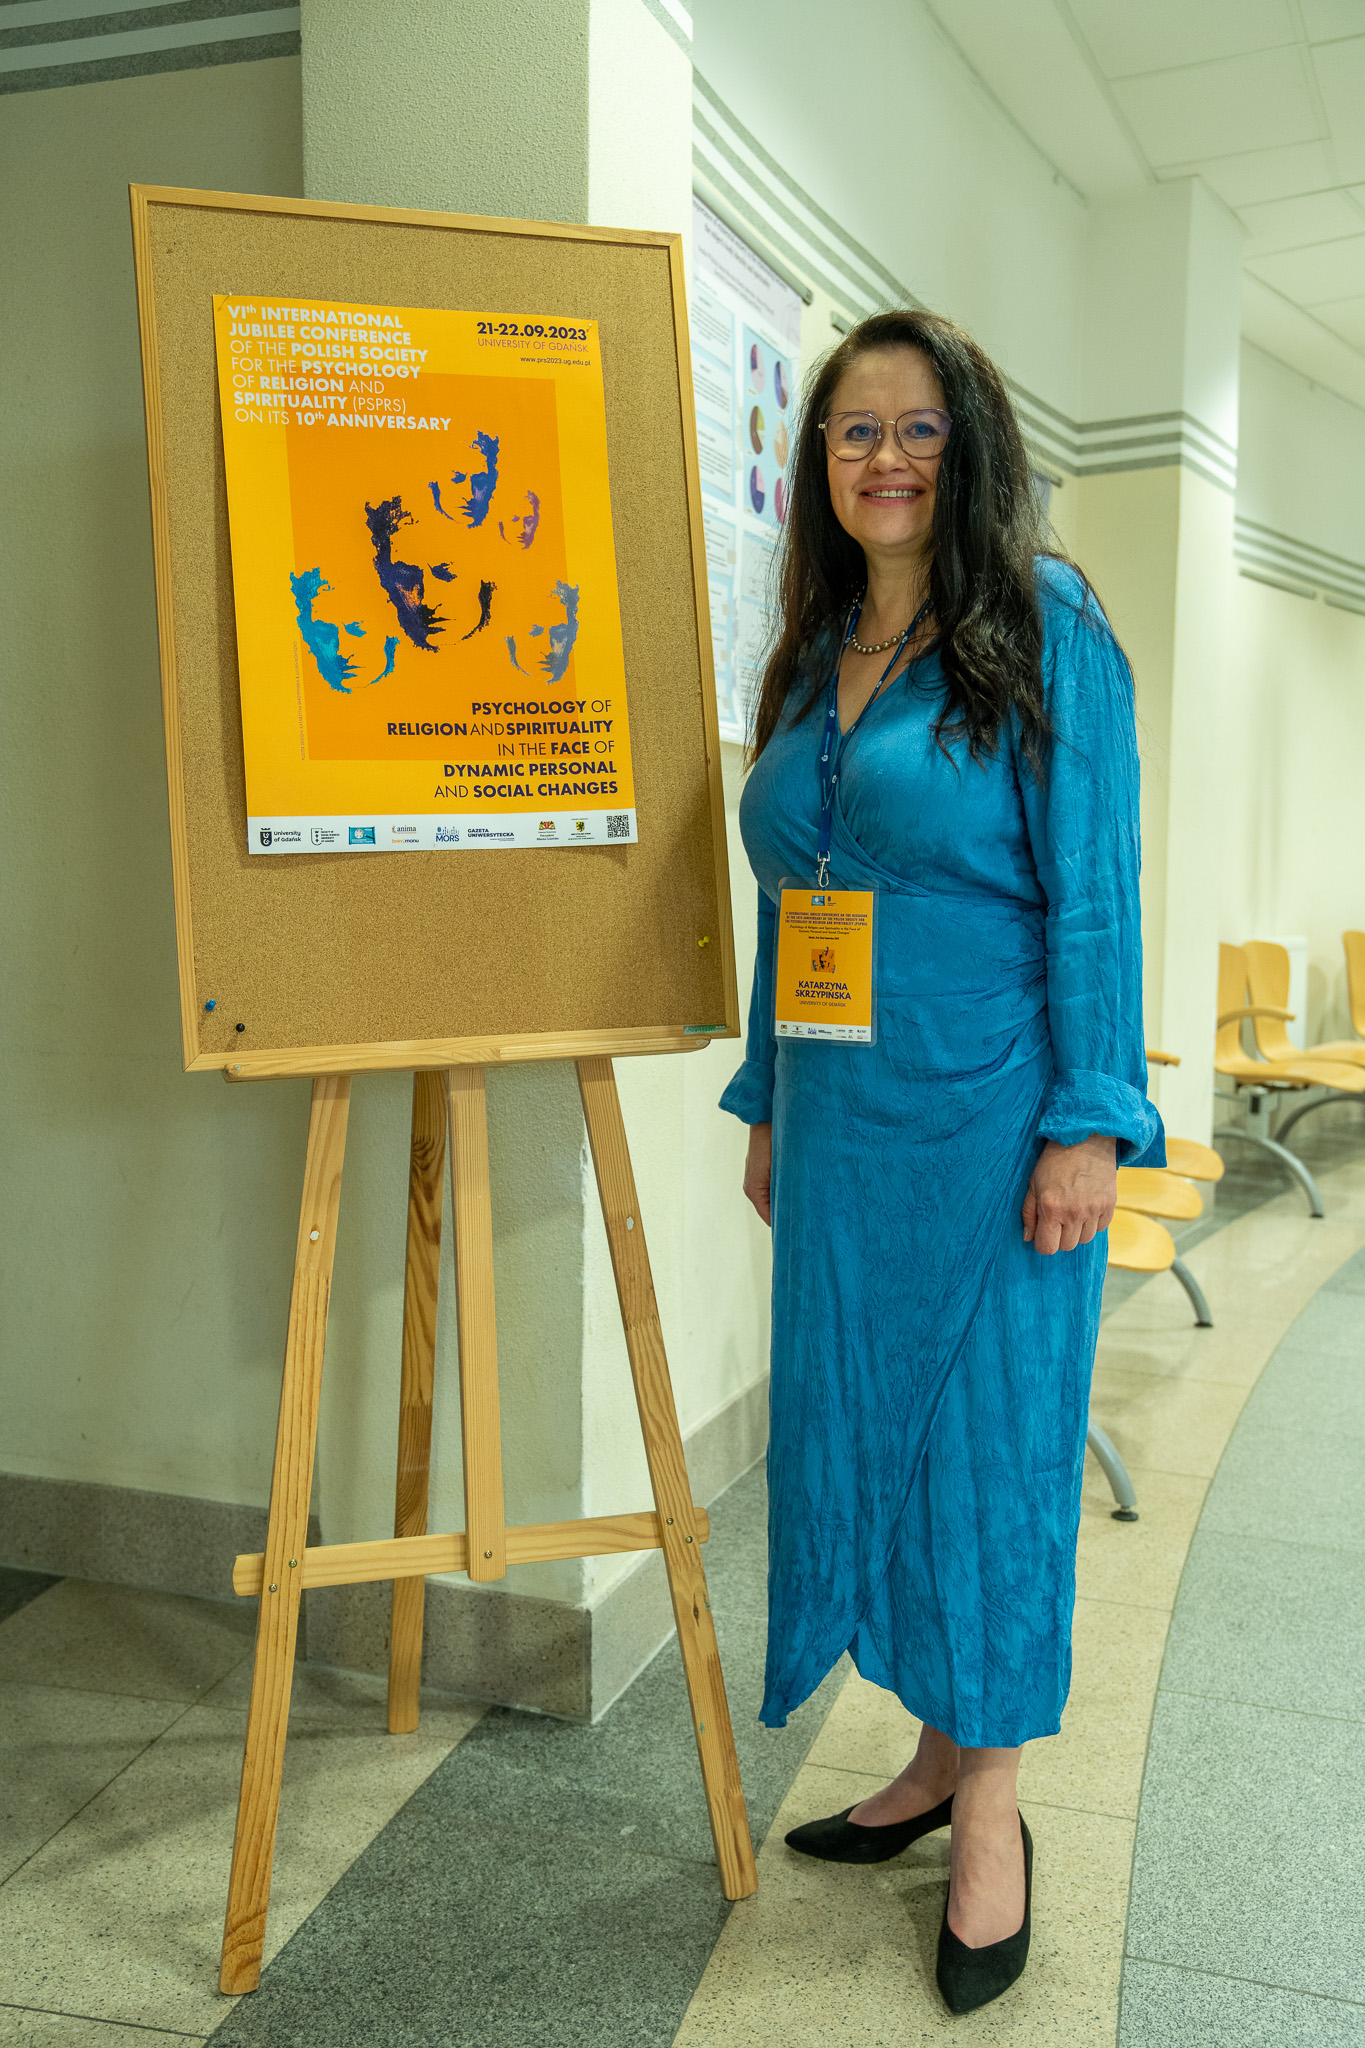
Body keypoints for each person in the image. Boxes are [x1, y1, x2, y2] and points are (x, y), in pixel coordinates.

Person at [719, 310, 1161, 2015]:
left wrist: (1087, 1120)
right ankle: (923, 1754)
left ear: (966, 448)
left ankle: (989, 1815)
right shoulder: (814, 646)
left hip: (993, 1126)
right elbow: (798, 897)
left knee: (988, 1464)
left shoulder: (1045, 625)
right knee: (870, 1449)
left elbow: (1095, 892)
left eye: (915, 428)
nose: (883, 458)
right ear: (818, 461)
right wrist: (767, 1095)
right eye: (852, 431)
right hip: (843, 1135)